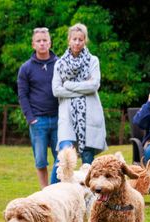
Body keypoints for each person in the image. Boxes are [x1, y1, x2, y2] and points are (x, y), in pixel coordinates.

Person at [51, 23, 107, 183]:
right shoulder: (60, 64)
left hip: (89, 117)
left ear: (85, 41)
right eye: (74, 39)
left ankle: (89, 200)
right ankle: (51, 194)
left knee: (88, 162)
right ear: (69, 40)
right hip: (67, 117)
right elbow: (56, 90)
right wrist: (83, 86)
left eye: (80, 39)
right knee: (63, 158)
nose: (77, 42)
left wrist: (68, 85)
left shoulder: (92, 61)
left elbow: (94, 85)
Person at [17, 27, 59, 189]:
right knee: (41, 160)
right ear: (33, 44)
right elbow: (22, 95)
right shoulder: (26, 68)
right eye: (38, 41)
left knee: (61, 159)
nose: (42, 44)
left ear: (50, 42)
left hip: (58, 119)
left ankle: (57, 189)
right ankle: (44, 191)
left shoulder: (59, 63)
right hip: (38, 121)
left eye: (45, 40)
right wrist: (31, 118)